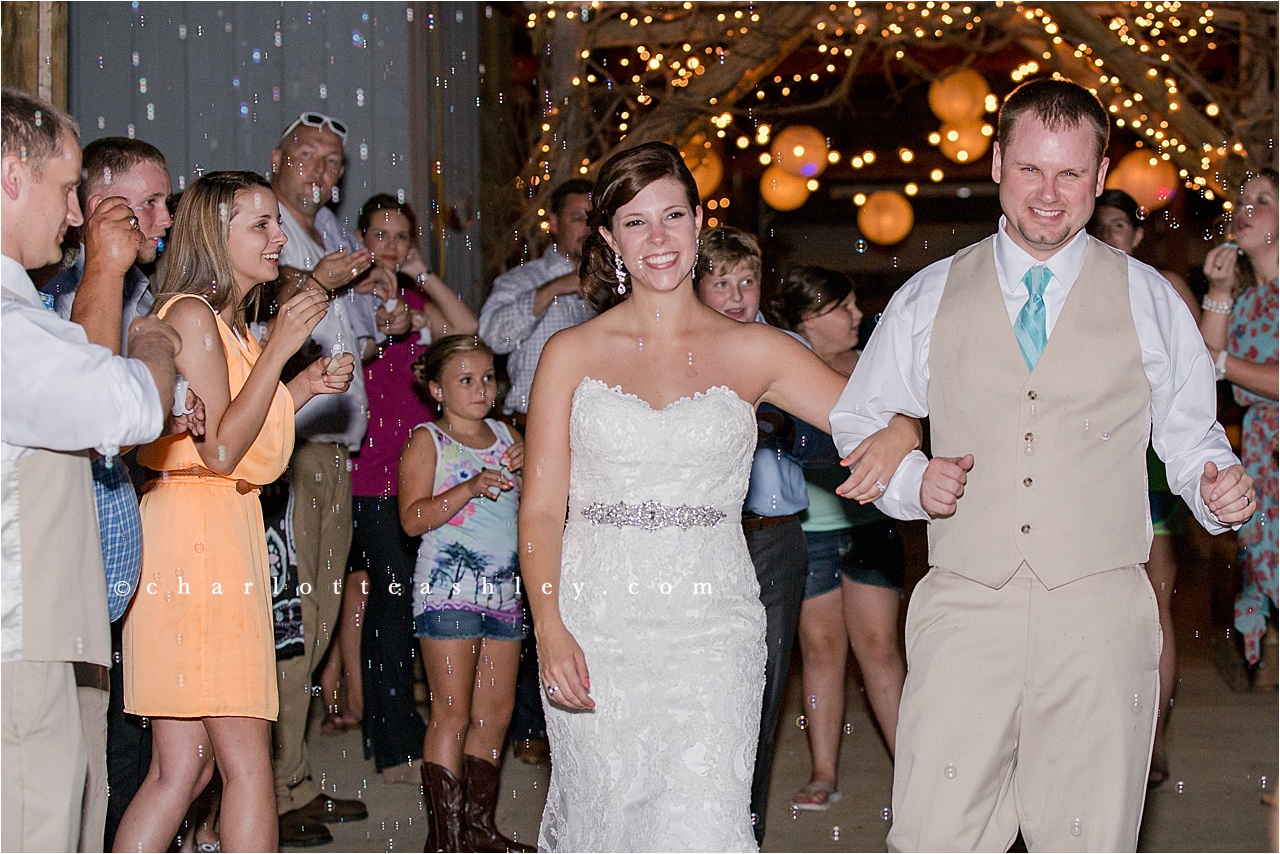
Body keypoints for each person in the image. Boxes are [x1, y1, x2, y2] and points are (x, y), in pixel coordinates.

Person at [831, 78, 1256, 852]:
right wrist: (910, 481)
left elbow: (1193, 438)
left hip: (1100, 610)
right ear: (997, 163)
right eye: (1031, 169)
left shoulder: (1150, 300)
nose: (1049, 194)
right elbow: (858, 420)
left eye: (1070, 174)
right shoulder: (930, 294)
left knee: (1088, 836)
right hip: (964, 607)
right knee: (931, 835)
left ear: (1100, 179)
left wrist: (1217, 486)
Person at [519, 141, 918, 852]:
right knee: (603, 822)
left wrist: (903, 430)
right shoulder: (570, 354)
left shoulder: (756, 350)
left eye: (673, 215)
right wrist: (549, 626)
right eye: (636, 223)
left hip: (713, 628)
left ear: (699, 222)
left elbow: (876, 413)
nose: (659, 238)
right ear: (608, 237)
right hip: (596, 620)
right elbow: (544, 510)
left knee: (703, 824)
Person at [114, 171, 355, 852]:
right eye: (261, 225)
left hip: (207, 529)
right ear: (215, 235)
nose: (280, 237)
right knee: (246, 767)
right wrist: (281, 347)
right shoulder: (191, 315)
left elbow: (234, 433)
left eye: (278, 223)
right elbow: (221, 452)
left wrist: (299, 382)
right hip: (200, 539)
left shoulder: (219, 321)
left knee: (183, 770)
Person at [1, 86, 177, 852]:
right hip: (19, 637)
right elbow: (128, 409)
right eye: (67, 188)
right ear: (11, 175)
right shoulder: (10, 330)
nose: (74, 215)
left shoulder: (28, 321)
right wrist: (157, 350)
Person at [692, 229, 906, 838]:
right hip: (700, 539)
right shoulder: (681, 349)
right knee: (709, 685)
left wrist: (901, 436)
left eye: (747, 280)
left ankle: (745, 824)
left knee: (768, 680)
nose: (736, 296)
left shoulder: (783, 348)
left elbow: (835, 432)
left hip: (777, 532)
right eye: (721, 281)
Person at [267, 110, 386, 844]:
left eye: (334, 162)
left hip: (335, 447)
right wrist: (317, 279)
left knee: (315, 622)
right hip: (289, 445)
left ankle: (296, 776)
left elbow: (353, 345)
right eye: (309, 156)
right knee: (291, 624)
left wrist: (383, 319)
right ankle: (273, 789)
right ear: (279, 157)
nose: (322, 172)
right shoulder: (263, 223)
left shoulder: (334, 235)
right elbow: (255, 326)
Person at [766, 265, 908, 810]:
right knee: (821, 649)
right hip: (812, 527)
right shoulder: (783, 371)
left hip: (870, 525)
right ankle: (823, 770)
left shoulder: (874, 365)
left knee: (879, 649)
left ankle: (910, 770)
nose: (856, 316)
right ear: (806, 317)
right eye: (841, 307)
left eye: (854, 305)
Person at [346, 194, 477, 783]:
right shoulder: (350, 301)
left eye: (401, 237)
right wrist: (383, 315)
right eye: (379, 235)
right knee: (391, 603)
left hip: (425, 477)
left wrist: (421, 279)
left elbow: (469, 331)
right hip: (374, 475)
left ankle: (399, 725)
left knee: (410, 601)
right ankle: (392, 740)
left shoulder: (420, 303)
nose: (390, 247)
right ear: (360, 238)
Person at [399, 336, 532, 853]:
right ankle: (446, 839)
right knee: (451, 712)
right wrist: (470, 487)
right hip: (447, 591)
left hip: (504, 592)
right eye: (465, 380)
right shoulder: (427, 441)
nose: (481, 390)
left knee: (494, 716)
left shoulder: (508, 436)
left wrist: (536, 460)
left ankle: (477, 829)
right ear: (436, 389)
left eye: (488, 378)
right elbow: (412, 520)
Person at [1089, 187, 1199, 788]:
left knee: (1153, 607)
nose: (1109, 237)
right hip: (1089, 472)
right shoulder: (1069, 287)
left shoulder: (1163, 288)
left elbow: (1195, 373)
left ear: (1136, 233)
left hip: (1149, 470)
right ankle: (1100, 735)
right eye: (1099, 227)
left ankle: (1152, 740)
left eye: (1118, 227)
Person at [1199, 169, 1278, 672]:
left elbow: (1217, 361)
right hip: (1261, 446)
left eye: (1263, 200)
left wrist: (1224, 363)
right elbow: (1206, 361)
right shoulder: (1249, 300)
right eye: (1241, 201)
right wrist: (1219, 287)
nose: (1244, 209)